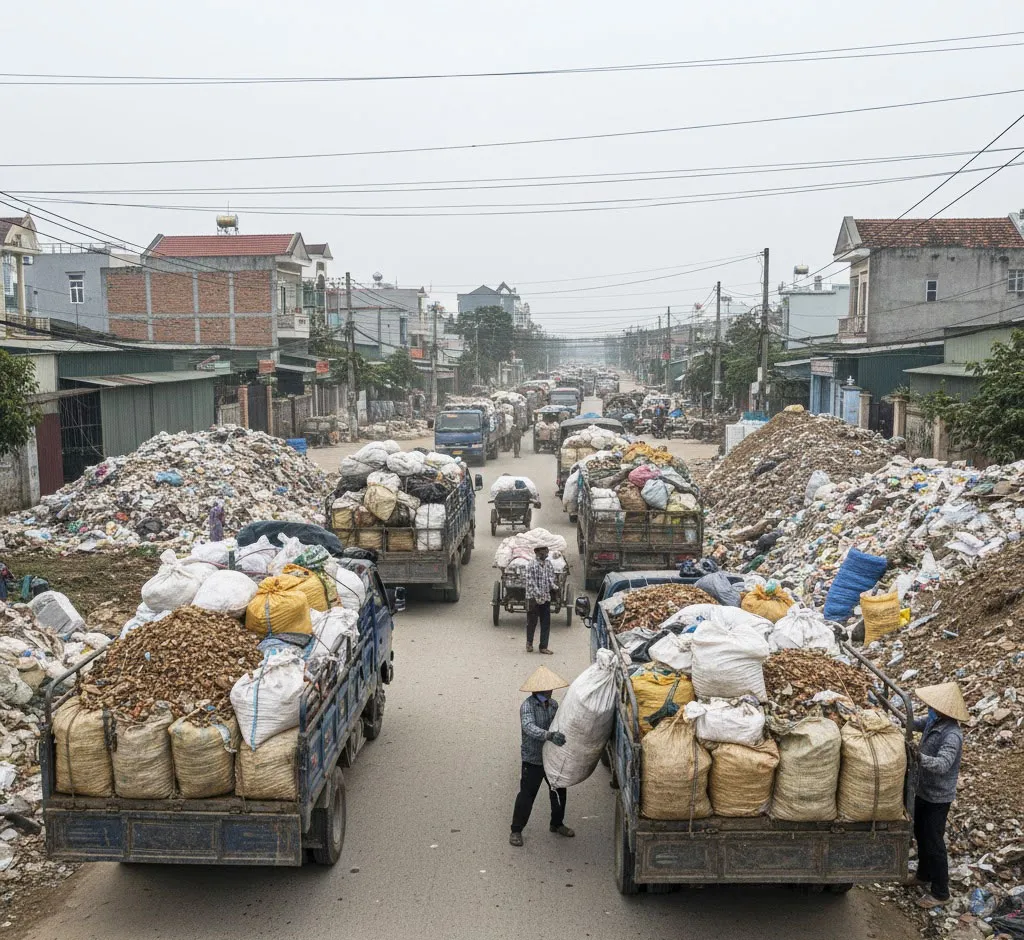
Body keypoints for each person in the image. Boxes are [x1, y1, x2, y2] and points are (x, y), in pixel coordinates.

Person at [911, 682, 968, 910]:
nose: (929, 708)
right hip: (924, 790)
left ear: (945, 709)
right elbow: (916, 724)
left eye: (934, 706)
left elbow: (943, 764)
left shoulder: (952, 735)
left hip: (939, 797)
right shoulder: (935, 721)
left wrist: (919, 757)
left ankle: (941, 892)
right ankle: (923, 875)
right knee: (920, 833)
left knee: (934, 842)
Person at [510, 665, 574, 847]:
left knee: (559, 790)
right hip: (533, 759)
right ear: (541, 690)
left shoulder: (553, 705)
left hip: (552, 757)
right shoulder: (527, 706)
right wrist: (549, 735)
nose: (551, 691)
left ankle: (557, 823)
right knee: (527, 795)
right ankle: (516, 830)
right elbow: (528, 727)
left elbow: (560, 723)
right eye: (549, 689)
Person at [525, 545, 557, 654]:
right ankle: (529, 643)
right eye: (544, 551)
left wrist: (554, 587)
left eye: (547, 550)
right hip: (534, 598)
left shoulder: (548, 564)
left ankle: (543, 646)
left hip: (545, 598)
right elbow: (530, 581)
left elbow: (551, 578)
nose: (546, 552)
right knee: (532, 622)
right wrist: (538, 593)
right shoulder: (531, 564)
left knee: (546, 622)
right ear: (538, 552)